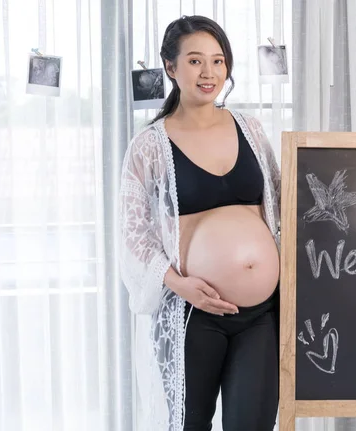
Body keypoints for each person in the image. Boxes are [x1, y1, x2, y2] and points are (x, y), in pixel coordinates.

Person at [119, 15, 281, 431]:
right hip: (193, 312)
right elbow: (133, 234)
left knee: (254, 424)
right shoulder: (150, 145)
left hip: (261, 314)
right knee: (190, 425)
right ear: (170, 68)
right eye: (194, 61)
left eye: (218, 60)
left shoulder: (252, 130)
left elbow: (280, 204)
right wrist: (179, 284)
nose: (208, 73)